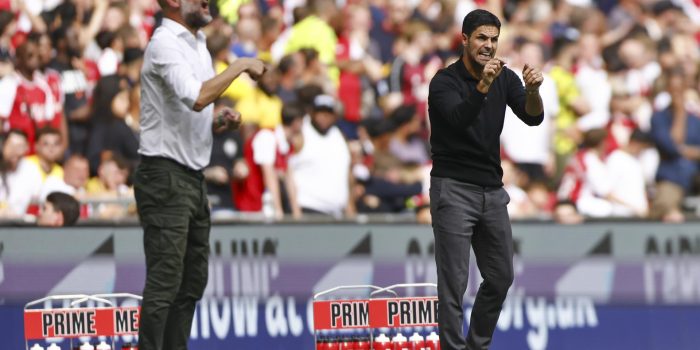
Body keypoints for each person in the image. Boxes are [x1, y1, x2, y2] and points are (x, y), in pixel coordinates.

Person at [134, 0, 266, 349]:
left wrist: (221, 121)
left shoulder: (198, 44)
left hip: (191, 176)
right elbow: (196, 97)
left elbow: (196, 112)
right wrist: (238, 64)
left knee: (191, 283)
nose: (208, 1)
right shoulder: (164, 43)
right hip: (163, 174)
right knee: (165, 281)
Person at [427, 9, 544, 350]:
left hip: (492, 191)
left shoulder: (505, 78)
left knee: (501, 276)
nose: (489, 46)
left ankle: (477, 345)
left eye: (494, 39)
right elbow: (459, 119)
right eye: (481, 38)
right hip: (453, 189)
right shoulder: (444, 81)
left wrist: (533, 91)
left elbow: (532, 117)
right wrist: (483, 85)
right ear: (464, 39)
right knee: (453, 282)